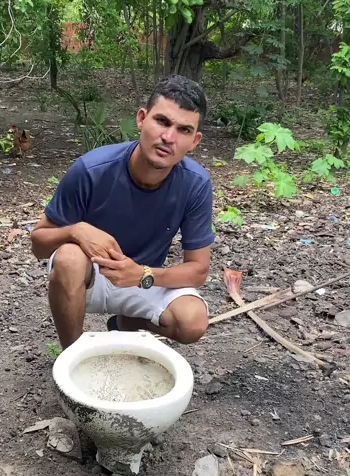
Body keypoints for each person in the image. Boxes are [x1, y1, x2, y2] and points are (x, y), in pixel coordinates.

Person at [31, 75, 214, 349]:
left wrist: (142, 274)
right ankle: (73, 355)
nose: (168, 137)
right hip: (88, 277)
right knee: (69, 258)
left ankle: (126, 323)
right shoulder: (91, 170)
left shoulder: (195, 184)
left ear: (195, 141)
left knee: (192, 321)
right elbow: (38, 245)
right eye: (162, 121)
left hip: (143, 279)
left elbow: (198, 270)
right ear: (142, 119)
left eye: (184, 130)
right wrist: (75, 230)